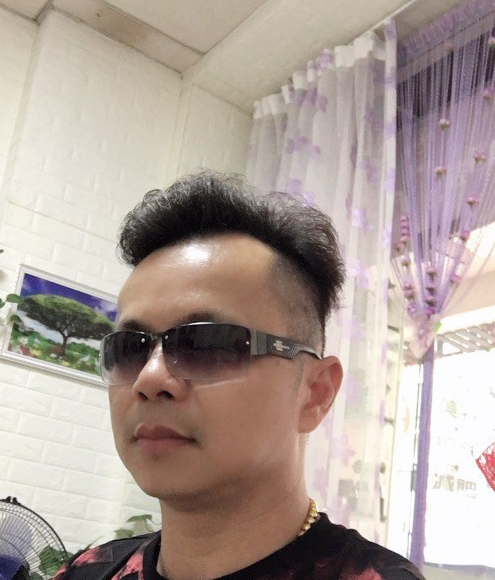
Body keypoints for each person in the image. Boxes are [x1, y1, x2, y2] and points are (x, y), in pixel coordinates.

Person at [55, 171, 425, 580]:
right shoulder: (87, 571)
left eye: (206, 345)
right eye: (129, 349)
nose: (149, 378)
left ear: (315, 393)